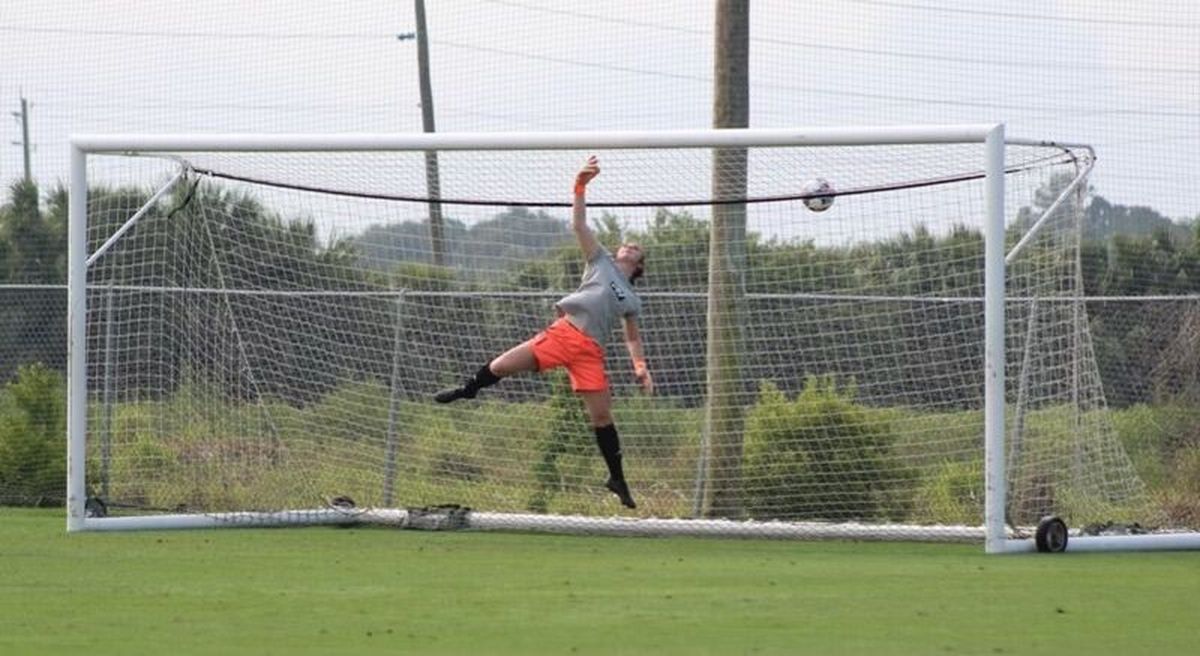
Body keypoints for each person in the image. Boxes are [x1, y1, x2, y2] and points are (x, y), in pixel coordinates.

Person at [435, 155, 652, 509]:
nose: (629, 246)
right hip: (562, 334)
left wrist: (640, 366)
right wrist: (580, 185)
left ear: (639, 265)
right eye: (626, 245)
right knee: (502, 366)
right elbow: (580, 226)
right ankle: (467, 390)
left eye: (636, 249)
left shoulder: (632, 298)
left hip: (588, 352)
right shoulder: (600, 262)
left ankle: (617, 478)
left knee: (601, 417)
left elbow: (631, 336)